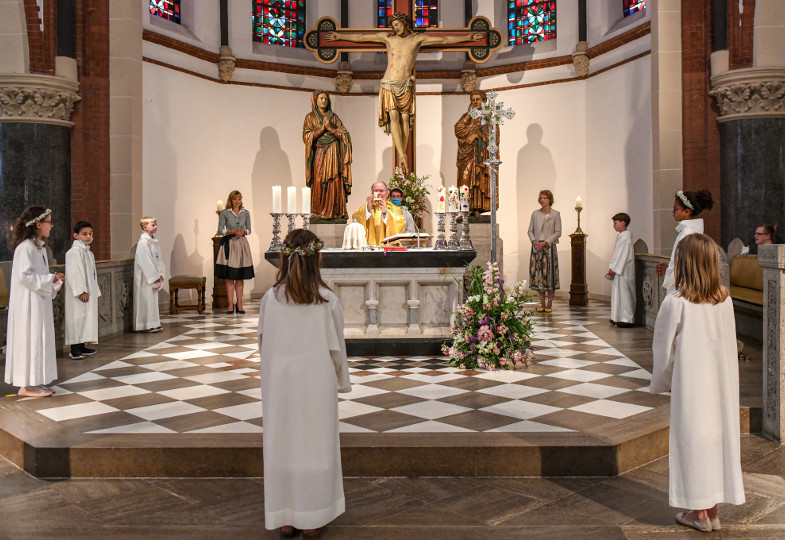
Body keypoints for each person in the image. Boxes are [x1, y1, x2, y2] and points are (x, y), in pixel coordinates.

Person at [257, 229, 351, 537]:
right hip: (315, 383)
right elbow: (336, 348)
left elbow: (262, 341)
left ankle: (285, 516)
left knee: (282, 444)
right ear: (318, 259)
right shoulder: (327, 300)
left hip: (280, 384)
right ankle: (313, 516)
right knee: (315, 445)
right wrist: (340, 381)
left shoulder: (270, 299)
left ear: (284, 259)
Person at [650, 234, 745, 532]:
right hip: (722, 385)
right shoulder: (724, 298)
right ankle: (710, 510)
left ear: (683, 263)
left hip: (692, 385)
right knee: (714, 442)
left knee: (693, 443)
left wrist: (660, 382)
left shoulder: (675, 302)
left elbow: (663, 351)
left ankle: (700, 514)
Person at [325, 12, 482, 173]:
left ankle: (403, 152)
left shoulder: (416, 39)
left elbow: (444, 40)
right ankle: (402, 155)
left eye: (398, 25)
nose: (396, 28)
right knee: (393, 116)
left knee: (406, 119)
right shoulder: (389, 38)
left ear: (405, 23)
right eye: (393, 26)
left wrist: (469, 37)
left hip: (405, 83)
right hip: (389, 82)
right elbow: (362, 38)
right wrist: (339, 36)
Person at [4, 206, 64, 398]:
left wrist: (52, 279)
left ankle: (36, 382)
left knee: (40, 341)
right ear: (38, 224)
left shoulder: (40, 247)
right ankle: (26, 386)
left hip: (38, 301)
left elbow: (37, 276)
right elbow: (24, 277)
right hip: (28, 305)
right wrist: (48, 280)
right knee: (31, 340)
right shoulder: (25, 248)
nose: (51, 225)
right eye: (49, 221)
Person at [303, 90, 353, 220]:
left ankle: (335, 211)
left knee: (334, 180)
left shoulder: (334, 117)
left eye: (326, 98)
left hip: (333, 153)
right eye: (321, 98)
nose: (324, 101)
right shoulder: (310, 117)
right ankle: (318, 210)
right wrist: (321, 130)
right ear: (315, 100)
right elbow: (306, 136)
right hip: (319, 153)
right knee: (318, 180)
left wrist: (331, 128)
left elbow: (344, 134)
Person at [655, 189, 714, 295]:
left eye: (675, 208)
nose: (672, 212)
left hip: (684, 289)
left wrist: (668, 272)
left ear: (686, 212)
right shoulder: (690, 232)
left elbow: (684, 267)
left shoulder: (688, 233)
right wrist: (669, 267)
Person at [455, 90, 499, 217]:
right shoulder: (466, 117)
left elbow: (494, 138)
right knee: (465, 179)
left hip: (481, 156)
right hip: (467, 155)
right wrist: (469, 115)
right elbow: (458, 130)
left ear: (484, 101)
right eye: (472, 100)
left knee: (479, 182)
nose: (474, 102)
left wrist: (476, 135)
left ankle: (477, 208)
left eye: (477, 99)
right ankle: (465, 208)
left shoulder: (489, 118)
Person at [65, 221, 101, 360]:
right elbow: (75, 272)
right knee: (77, 318)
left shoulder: (87, 252)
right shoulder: (74, 252)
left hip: (89, 290)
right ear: (76, 235)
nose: (88, 236)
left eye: (90, 233)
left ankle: (82, 345)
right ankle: (75, 349)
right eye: (84, 234)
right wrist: (81, 291)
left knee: (85, 319)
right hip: (79, 293)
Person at [215, 191, 254, 314]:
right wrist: (232, 232)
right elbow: (220, 229)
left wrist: (243, 232)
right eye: (235, 199)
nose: (237, 201)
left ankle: (240, 304)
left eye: (239, 199)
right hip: (230, 244)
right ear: (231, 200)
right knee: (229, 277)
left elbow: (249, 229)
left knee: (240, 276)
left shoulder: (245, 213)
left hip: (241, 244)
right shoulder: (225, 213)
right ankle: (230, 304)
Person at [528, 190, 562, 312]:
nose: (542, 200)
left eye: (545, 198)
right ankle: (541, 303)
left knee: (549, 275)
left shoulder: (556, 214)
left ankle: (549, 303)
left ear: (550, 200)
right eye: (541, 198)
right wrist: (534, 242)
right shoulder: (535, 214)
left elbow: (558, 232)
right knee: (539, 276)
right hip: (537, 247)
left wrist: (545, 242)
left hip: (549, 247)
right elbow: (530, 230)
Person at [134, 216, 165, 333]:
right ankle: (146, 325)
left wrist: (161, 273)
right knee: (146, 300)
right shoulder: (143, 243)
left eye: (156, 224)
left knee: (152, 301)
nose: (155, 227)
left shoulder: (154, 241)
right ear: (145, 227)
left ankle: (154, 323)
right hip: (145, 278)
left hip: (154, 275)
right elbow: (145, 261)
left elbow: (159, 259)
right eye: (153, 225)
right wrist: (155, 276)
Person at [607, 213, 635, 328]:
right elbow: (617, 254)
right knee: (618, 294)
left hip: (623, 271)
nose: (613, 225)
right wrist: (611, 266)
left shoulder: (626, 237)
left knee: (625, 294)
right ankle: (617, 317)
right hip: (619, 270)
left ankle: (627, 319)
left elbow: (623, 255)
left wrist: (615, 268)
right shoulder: (622, 236)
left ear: (623, 223)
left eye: (615, 223)